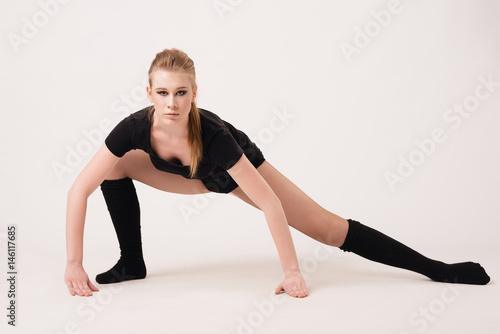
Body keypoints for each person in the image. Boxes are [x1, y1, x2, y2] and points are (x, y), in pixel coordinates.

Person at [64, 48, 490, 298]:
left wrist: (291, 271)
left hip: (233, 172)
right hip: (186, 176)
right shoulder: (133, 128)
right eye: (162, 93)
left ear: (195, 93)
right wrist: (73, 262)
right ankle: (132, 262)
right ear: (148, 93)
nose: (172, 103)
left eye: (181, 92)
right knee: (113, 167)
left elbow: (268, 201)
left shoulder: (212, 134)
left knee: (325, 227)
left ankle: (437, 268)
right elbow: (78, 190)